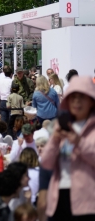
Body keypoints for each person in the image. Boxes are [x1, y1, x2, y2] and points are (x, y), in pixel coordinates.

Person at [40, 75, 95, 219]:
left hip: (87, 202)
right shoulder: (61, 126)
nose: (77, 101)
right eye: (73, 97)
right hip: (59, 197)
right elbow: (45, 162)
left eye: (82, 97)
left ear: (91, 101)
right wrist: (54, 141)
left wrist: (79, 142)